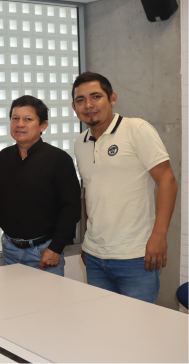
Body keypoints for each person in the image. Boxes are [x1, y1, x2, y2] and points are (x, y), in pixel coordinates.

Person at [72, 72, 177, 303]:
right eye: (81, 100)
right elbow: (90, 192)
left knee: (138, 331)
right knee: (103, 327)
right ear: (74, 106)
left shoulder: (136, 129)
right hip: (95, 256)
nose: (88, 105)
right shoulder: (79, 143)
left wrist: (159, 236)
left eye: (96, 96)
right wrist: (88, 240)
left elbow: (167, 180)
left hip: (136, 256)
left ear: (112, 98)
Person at [0, 95, 81, 276]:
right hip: (9, 248)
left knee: (48, 303)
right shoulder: (3, 158)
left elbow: (71, 208)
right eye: (15, 119)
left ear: (43, 126)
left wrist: (56, 247)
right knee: (13, 302)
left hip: (44, 250)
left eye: (28, 119)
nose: (20, 124)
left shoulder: (59, 160)